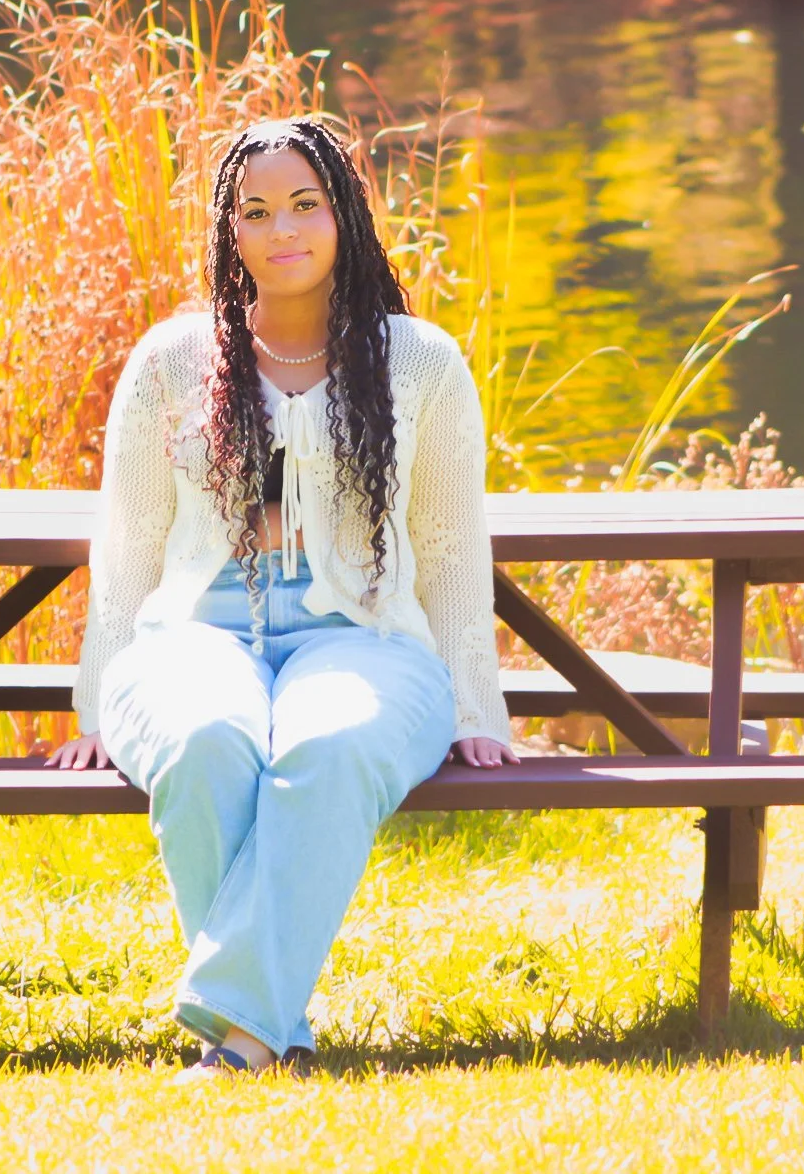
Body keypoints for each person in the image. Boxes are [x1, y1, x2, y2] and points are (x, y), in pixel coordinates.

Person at [46, 117, 516, 1079]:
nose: (284, 230)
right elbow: (128, 541)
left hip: (368, 639)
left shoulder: (419, 361)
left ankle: (238, 1033)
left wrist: (476, 703)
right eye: (255, 212)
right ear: (230, 233)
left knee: (328, 743)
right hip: (193, 636)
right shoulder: (173, 362)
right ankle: (269, 1031)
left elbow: (450, 543)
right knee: (208, 738)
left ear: (344, 214)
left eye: (306, 204)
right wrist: (95, 701)